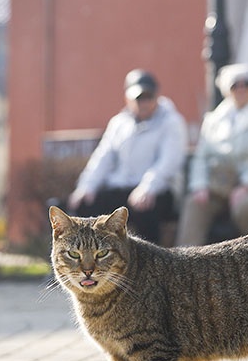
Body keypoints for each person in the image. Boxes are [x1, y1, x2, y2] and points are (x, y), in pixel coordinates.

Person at [67, 68, 186, 244]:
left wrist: (148, 187)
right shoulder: (118, 123)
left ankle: (150, 260)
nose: (144, 103)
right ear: (127, 99)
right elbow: (103, 157)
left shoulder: (172, 122)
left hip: (158, 191)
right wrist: (86, 186)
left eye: (148, 97)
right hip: (121, 188)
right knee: (84, 206)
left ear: (157, 96)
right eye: (139, 98)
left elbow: (168, 162)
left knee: (145, 209)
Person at [176, 63, 248, 246]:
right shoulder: (214, 119)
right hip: (218, 187)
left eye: (246, 84)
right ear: (227, 89)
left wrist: (246, 186)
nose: (241, 89)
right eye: (235, 85)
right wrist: (200, 185)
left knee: (245, 209)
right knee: (194, 204)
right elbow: (201, 157)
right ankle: (185, 258)